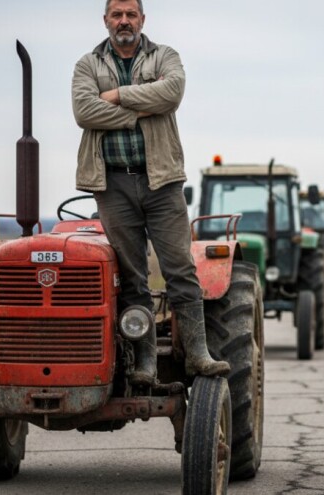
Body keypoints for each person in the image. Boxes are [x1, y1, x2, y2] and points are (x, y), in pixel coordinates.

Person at [71, 0, 229, 386]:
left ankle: (198, 354)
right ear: (106, 20)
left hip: (162, 181)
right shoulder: (88, 65)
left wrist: (114, 96)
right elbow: (84, 112)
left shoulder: (164, 56)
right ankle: (146, 361)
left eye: (131, 14)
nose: (124, 21)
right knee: (132, 275)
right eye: (117, 15)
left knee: (180, 269)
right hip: (113, 184)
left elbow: (171, 94)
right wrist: (140, 109)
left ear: (142, 19)